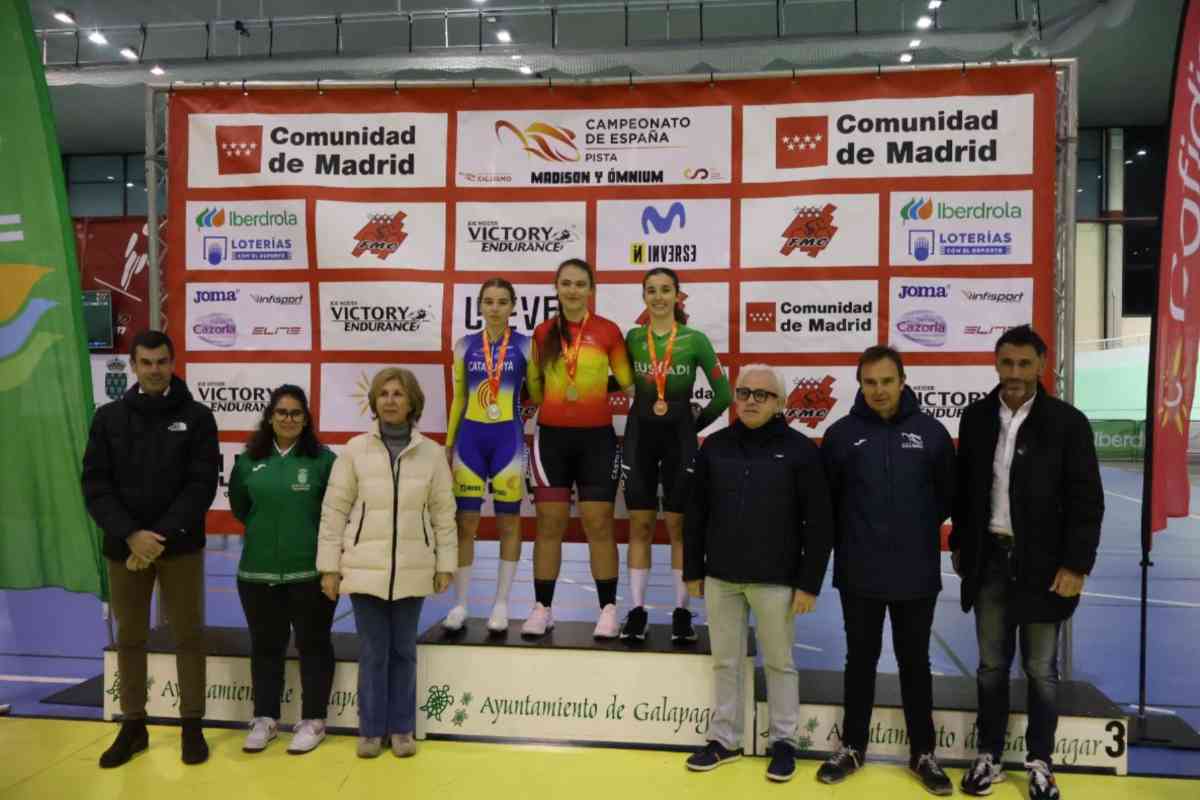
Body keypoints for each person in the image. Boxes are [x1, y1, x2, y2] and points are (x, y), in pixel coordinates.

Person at [951, 326, 1103, 800]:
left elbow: (1086, 501)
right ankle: (989, 756)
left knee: (1041, 669)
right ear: (996, 365)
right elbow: (965, 490)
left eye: (1024, 364)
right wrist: (961, 542)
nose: (1014, 373)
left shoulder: (1068, 423)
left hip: (1044, 567)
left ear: (1041, 365)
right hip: (990, 561)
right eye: (1006, 363)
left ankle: (1040, 761)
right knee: (991, 666)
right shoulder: (974, 418)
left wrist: (1076, 565)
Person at [682, 365, 834, 783]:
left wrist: (808, 583)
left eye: (762, 395)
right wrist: (694, 569)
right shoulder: (714, 446)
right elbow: (695, 515)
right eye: (744, 392)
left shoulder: (802, 451)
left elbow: (819, 524)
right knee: (725, 661)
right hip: (721, 578)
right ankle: (723, 740)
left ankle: (783, 741)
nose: (751, 400)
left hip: (777, 580)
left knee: (781, 664)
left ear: (780, 403)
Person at [816, 346, 955, 794]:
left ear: (903, 381)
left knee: (916, 663)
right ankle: (852, 746)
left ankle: (923, 753)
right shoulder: (839, 435)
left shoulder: (932, 434)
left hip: (916, 573)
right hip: (859, 571)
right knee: (860, 661)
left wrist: (912, 533)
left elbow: (946, 498)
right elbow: (828, 504)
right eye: (870, 382)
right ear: (860, 384)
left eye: (887, 381)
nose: (879, 390)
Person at [81, 330, 219, 768]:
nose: (155, 370)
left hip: (178, 547)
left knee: (188, 636)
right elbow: (96, 485)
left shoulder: (197, 417)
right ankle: (133, 726)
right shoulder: (108, 418)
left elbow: (201, 486)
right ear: (134, 366)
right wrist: (131, 535)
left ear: (173, 363)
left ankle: (192, 725)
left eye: (162, 361)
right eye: (146, 362)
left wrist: (155, 537)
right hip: (125, 549)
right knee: (131, 639)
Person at [317, 368, 457, 759]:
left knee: (404, 652)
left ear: (412, 402)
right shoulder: (354, 450)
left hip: (413, 569)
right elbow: (334, 511)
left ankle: (401, 728)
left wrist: (445, 563)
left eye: (398, 394)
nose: (390, 400)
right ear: (374, 402)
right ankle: (370, 729)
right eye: (383, 394)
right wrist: (330, 567)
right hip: (364, 571)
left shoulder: (431, 453)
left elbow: (444, 514)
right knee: (373, 652)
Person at [522, 258, 635, 639]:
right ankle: (543, 608)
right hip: (552, 439)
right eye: (566, 283)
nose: (572, 290)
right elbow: (535, 388)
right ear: (556, 288)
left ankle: (607, 610)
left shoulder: (607, 331)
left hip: (597, 440)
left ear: (591, 289)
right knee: (549, 524)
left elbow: (626, 381)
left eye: (580, 284)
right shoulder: (542, 332)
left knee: (599, 523)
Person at [620, 268, 730, 642]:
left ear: (678, 296)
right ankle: (636, 611)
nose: (659, 297)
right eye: (651, 291)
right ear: (644, 297)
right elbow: (612, 381)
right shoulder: (633, 338)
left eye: (666, 290)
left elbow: (724, 394)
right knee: (641, 526)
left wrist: (694, 427)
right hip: (639, 439)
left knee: (679, 528)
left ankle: (682, 612)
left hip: (680, 438)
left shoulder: (694, 340)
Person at [229, 385, 338, 755]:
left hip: (309, 574)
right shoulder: (248, 461)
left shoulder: (323, 460)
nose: (288, 419)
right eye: (281, 413)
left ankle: (313, 720)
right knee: (265, 647)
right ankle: (264, 719)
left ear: (306, 419)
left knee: (314, 645)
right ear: (270, 417)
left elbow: (334, 515)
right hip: (257, 575)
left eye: (296, 413)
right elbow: (242, 508)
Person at [443, 279, 542, 634]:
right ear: (480, 306)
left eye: (502, 302)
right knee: (464, 523)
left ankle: (501, 604)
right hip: (470, 439)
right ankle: (461, 603)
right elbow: (458, 398)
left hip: (508, 440)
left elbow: (538, 392)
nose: (495, 307)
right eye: (489, 301)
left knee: (509, 523)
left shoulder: (527, 345)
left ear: (513, 306)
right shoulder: (464, 345)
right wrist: (450, 442)